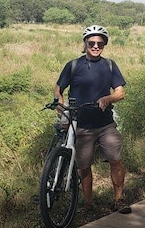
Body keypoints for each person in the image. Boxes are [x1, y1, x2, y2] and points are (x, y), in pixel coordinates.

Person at [54, 25, 131, 214]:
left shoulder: (110, 65)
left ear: (104, 45)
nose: (96, 46)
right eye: (92, 43)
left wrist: (108, 98)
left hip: (105, 124)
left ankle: (119, 199)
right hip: (81, 125)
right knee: (84, 166)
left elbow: (120, 92)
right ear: (85, 43)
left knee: (115, 160)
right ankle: (88, 203)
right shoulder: (73, 65)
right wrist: (61, 107)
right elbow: (58, 89)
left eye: (100, 43)